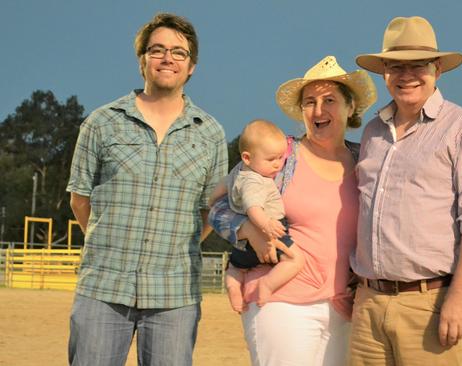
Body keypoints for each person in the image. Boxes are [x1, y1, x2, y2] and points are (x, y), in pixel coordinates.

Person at [66, 13, 227, 366]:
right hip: (103, 288)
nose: (167, 58)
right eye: (157, 50)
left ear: (192, 67)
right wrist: (112, 241)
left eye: (178, 52)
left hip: (175, 294)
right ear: (142, 61)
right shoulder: (101, 122)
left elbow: (210, 211)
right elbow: (80, 200)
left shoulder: (210, 133)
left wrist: (169, 248)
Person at [349, 16, 462, 365]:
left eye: (418, 65)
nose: (406, 75)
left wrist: (460, 297)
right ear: (383, 71)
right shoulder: (372, 130)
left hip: (429, 304)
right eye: (396, 66)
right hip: (368, 303)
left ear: (437, 69)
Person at [209, 55, 377, 365]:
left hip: (345, 306)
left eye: (330, 100)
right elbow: (219, 206)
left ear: (350, 107)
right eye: (309, 102)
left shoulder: (367, 160)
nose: (318, 110)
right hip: (281, 299)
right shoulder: (282, 155)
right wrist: (247, 231)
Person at [208, 119, 305, 313]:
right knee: (296, 260)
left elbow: (220, 189)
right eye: (271, 159)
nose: (278, 164)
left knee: (236, 266)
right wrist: (266, 225)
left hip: (241, 242)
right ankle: (267, 285)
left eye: (280, 157)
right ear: (247, 157)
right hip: (268, 231)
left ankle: (234, 286)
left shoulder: (238, 171)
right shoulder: (255, 181)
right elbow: (253, 208)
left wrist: (213, 201)